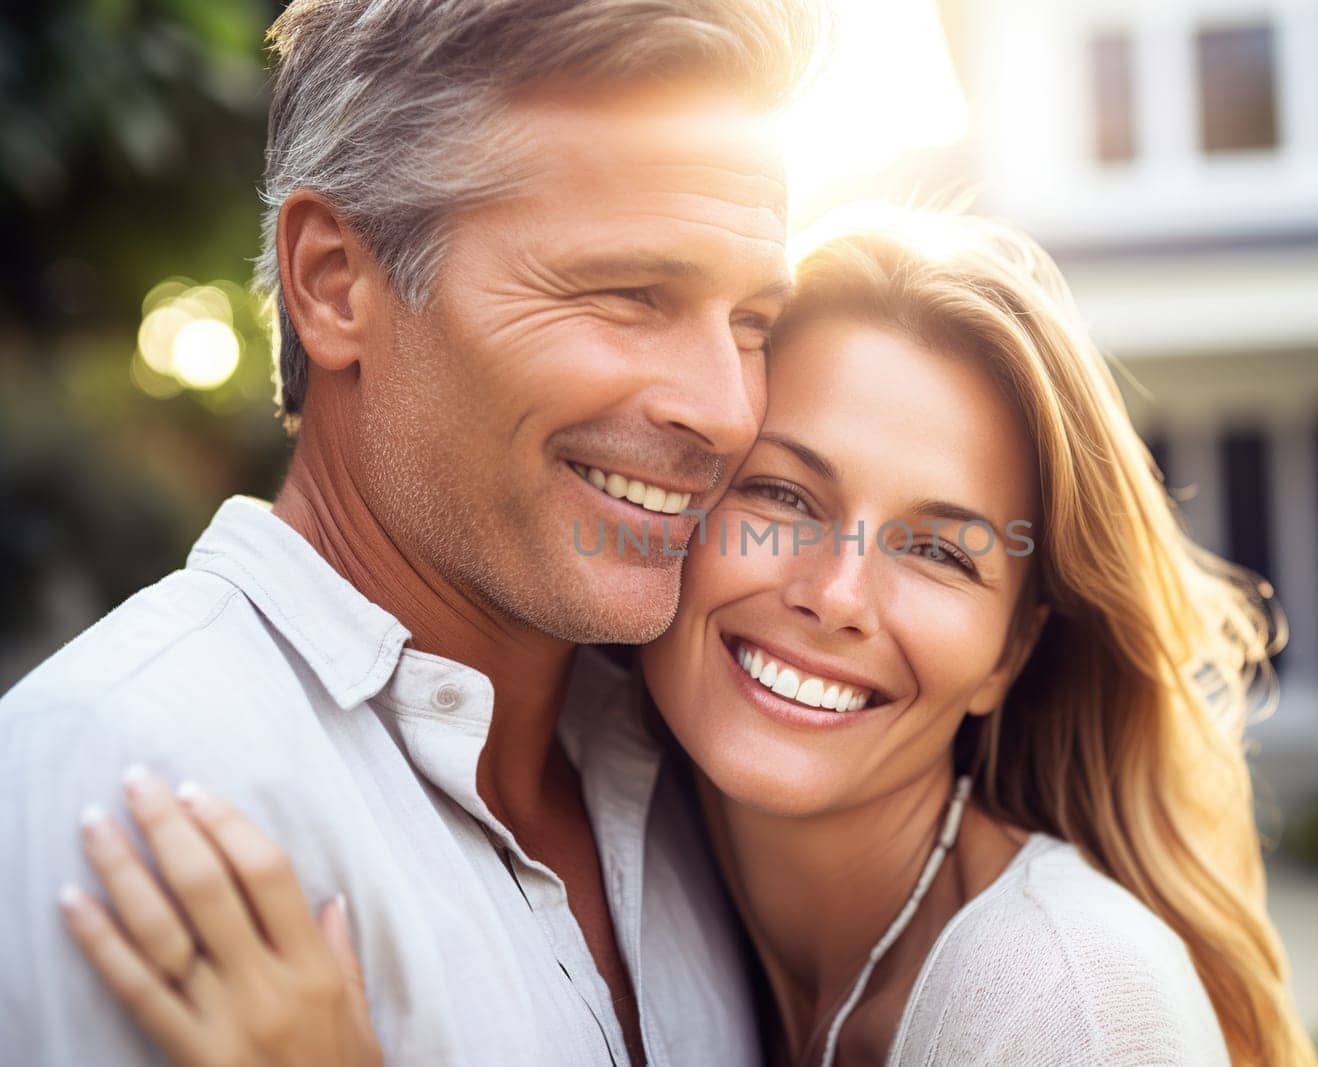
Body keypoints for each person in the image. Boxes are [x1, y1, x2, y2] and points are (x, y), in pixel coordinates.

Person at [63, 208, 1318, 1065]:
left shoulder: (1066, 1002)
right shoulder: (644, 860)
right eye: (780, 494)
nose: (835, 591)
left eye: (940, 548)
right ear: (672, 511)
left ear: (1007, 650)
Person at [0, 1, 822, 1063]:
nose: (725, 409)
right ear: (334, 283)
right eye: (629, 293)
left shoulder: (701, 774)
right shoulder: (123, 784)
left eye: (751, 322)